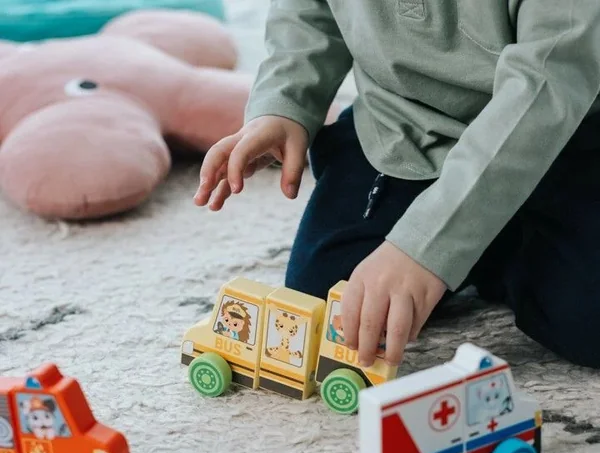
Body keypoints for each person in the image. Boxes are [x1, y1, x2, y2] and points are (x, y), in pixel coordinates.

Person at [193, 0, 600, 370]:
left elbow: (548, 85)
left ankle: (489, 242)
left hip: (553, 139)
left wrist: (430, 243)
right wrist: (284, 106)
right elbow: (308, 11)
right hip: (402, 128)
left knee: (588, 324)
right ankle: (482, 246)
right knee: (332, 301)